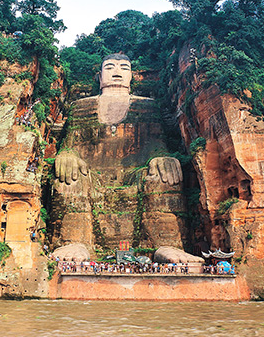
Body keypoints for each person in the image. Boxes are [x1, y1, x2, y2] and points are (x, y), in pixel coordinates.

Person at [52, 53, 187, 251]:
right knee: (70, 177)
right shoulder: (80, 106)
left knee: (163, 174)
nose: (117, 72)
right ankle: (75, 243)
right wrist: (67, 155)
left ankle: (166, 246)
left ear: (132, 76)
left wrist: (161, 156)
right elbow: (70, 145)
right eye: (110, 68)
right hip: (91, 176)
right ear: (99, 76)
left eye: (124, 68)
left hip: (135, 174)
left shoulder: (146, 105)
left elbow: (156, 144)